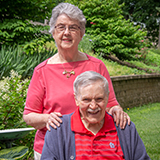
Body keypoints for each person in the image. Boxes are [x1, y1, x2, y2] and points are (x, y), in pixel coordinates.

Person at [23, 2, 130, 159]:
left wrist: (116, 111)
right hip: (52, 148)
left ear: (82, 33)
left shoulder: (96, 66)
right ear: (53, 32)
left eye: (73, 28)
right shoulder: (42, 71)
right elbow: (29, 115)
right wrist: (48, 118)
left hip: (92, 148)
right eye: (61, 27)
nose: (66, 32)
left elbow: (111, 104)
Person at [41, 71, 150, 160]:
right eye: (86, 100)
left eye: (99, 99)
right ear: (76, 100)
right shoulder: (58, 130)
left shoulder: (124, 128)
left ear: (107, 98)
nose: (93, 106)